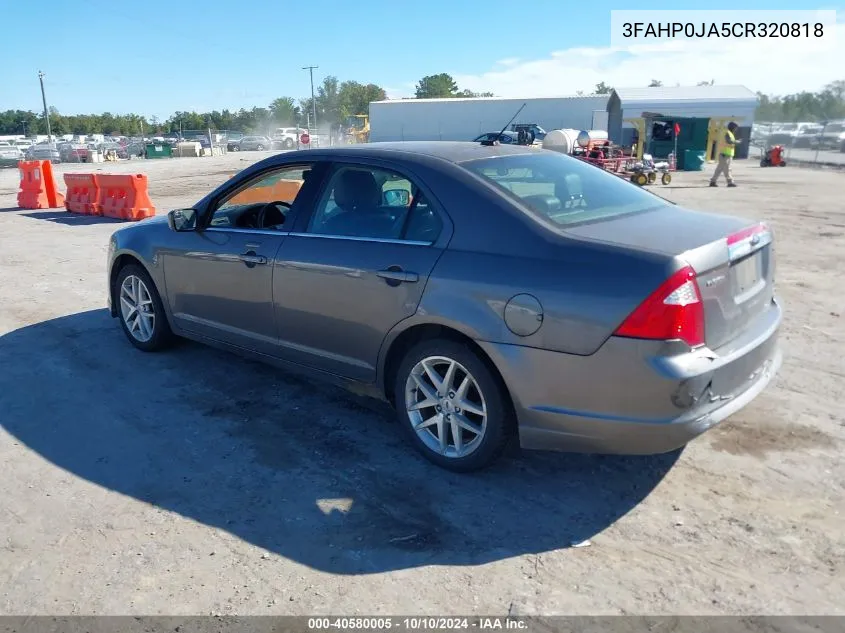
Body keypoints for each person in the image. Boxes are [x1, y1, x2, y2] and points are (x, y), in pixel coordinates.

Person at [710, 121, 740, 187]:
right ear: (732, 127)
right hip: (725, 154)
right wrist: (736, 142)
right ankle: (730, 182)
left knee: (719, 169)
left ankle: (713, 181)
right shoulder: (727, 133)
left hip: (725, 154)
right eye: (735, 127)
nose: (736, 129)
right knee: (727, 169)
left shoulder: (729, 133)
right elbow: (728, 141)